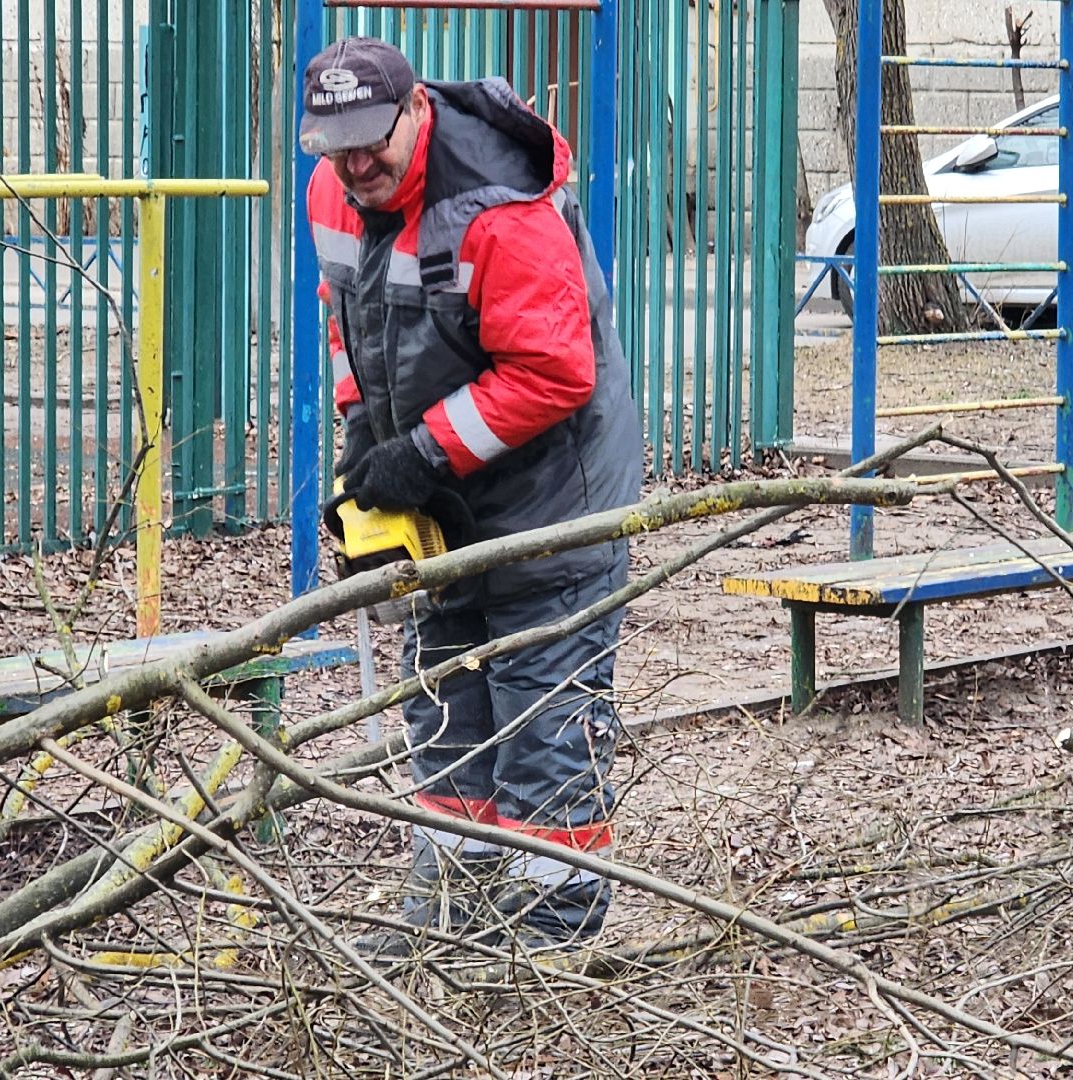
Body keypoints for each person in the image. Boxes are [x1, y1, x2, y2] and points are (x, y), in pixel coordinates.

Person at [300, 36, 643, 952]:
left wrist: (421, 453)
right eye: (337, 148)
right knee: (445, 706)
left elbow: (555, 371)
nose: (357, 166)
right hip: (446, 502)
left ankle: (545, 948)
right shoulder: (332, 192)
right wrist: (364, 435)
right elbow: (350, 325)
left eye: (372, 142)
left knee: (545, 724)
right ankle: (449, 920)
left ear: (417, 110)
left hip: (555, 503)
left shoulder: (498, 210)